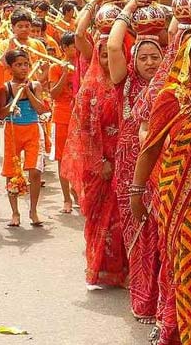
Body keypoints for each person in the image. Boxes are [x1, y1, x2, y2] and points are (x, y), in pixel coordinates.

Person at [132, 31, 191, 345]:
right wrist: (136, 191)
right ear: (186, 56)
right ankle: (179, 331)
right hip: (176, 197)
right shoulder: (172, 97)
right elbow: (152, 147)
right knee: (183, 265)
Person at [108, 0, 164, 324]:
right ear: (133, 62)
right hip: (129, 173)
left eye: (155, 56)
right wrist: (127, 9)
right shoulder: (125, 83)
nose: (150, 63)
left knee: (160, 234)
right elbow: (115, 47)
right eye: (143, 58)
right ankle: (143, 299)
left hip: (161, 168)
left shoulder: (170, 84)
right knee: (137, 232)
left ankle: (161, 300)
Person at [61, 32, 127, 289]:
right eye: (104, 54)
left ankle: (123, 271)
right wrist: (100, 163)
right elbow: (83, 131)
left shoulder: (128, 86)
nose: (108, 59)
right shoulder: (90, 90)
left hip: (125, 160)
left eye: (114, 54)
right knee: (101, 219)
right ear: (97, 57)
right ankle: (100, 269)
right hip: (99, 165)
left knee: (123, 219)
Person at [0, 50, 46, 227]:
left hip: (33, 130)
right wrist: (14, 100)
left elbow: (41, 109)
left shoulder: (35, 85)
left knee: (35, 171)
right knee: (11, 172)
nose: (23, 68)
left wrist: (28, 93)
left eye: (25, 64)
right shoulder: (6, 87)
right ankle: (15, 213)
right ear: (10, 68)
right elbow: (1, 115)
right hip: (12, 131)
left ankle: (33, 210)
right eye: (18, 65)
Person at [49, 32, 78, 213]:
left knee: (80, 157)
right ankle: (66, 198)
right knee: (62, 158)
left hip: (79, 116)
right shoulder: (56, 67)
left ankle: (77, 191)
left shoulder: (86, 65)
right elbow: (53, 94)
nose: (76, 49)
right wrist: (65, 74)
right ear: (64, 48)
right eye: (73, 45)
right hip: (62, 116)